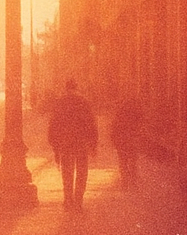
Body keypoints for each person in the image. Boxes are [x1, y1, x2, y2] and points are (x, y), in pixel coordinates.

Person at [48, 78, 98, 211]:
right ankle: (78, 201)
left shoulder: (60, 102)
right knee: (82, 171)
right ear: (76, 87)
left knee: (67, 171)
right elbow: (91, 123)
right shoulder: (84, 101)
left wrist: (54, 144)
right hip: (81, 141)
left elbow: (54, 124)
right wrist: (93, 143)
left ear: (66, 88)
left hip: (65, 142)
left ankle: (68, 199)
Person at [110, 95, 143, 190]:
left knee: (123, 162)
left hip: (122, 141)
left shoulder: (119, 115)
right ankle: (133, 182)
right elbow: (139, 126)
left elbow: (114, 129)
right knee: (133, 161)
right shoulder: (135, 115)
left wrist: (114, 141)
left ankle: (125, 182)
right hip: (132, 141)